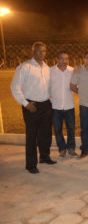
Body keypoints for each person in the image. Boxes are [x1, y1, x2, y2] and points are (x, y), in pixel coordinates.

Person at [11, 41, 56, 174]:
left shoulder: (47, 68)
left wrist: (51, 100)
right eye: (38, 51)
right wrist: (25, 103)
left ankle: (44, 157)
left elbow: (49, 87)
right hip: (32, 105)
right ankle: (30, 164)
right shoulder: (25, 67)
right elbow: (15, 87)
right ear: (33, 52)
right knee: (31, 136)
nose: (41, 53)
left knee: (46, 134)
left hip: (46, 105)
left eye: (43, 51)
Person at [50, 51, 77, 157]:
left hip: (69, 105)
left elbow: (77, 85)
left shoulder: (72, 71)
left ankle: (71, 148)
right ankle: (62, 149)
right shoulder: (51, 71)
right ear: (57, 59)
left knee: (71, 129)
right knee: (57, 129)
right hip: (55, 106)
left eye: (66, 59)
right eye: (62, 58)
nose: (64, 61)